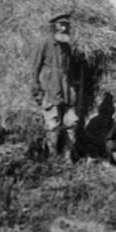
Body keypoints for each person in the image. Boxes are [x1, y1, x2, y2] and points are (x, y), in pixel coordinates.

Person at [31, 12, 79, 161]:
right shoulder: (44, 44)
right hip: (50, 89)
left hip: (66, 90)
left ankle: (67, 157)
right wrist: (36, 86)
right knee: (52, 123)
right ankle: (53, 157)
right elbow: (35, 67)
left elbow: (69, 69)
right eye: (61, 24)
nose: (64, 28)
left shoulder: (67, 47)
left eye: (66, 25)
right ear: (54, 26)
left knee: (71, 123)